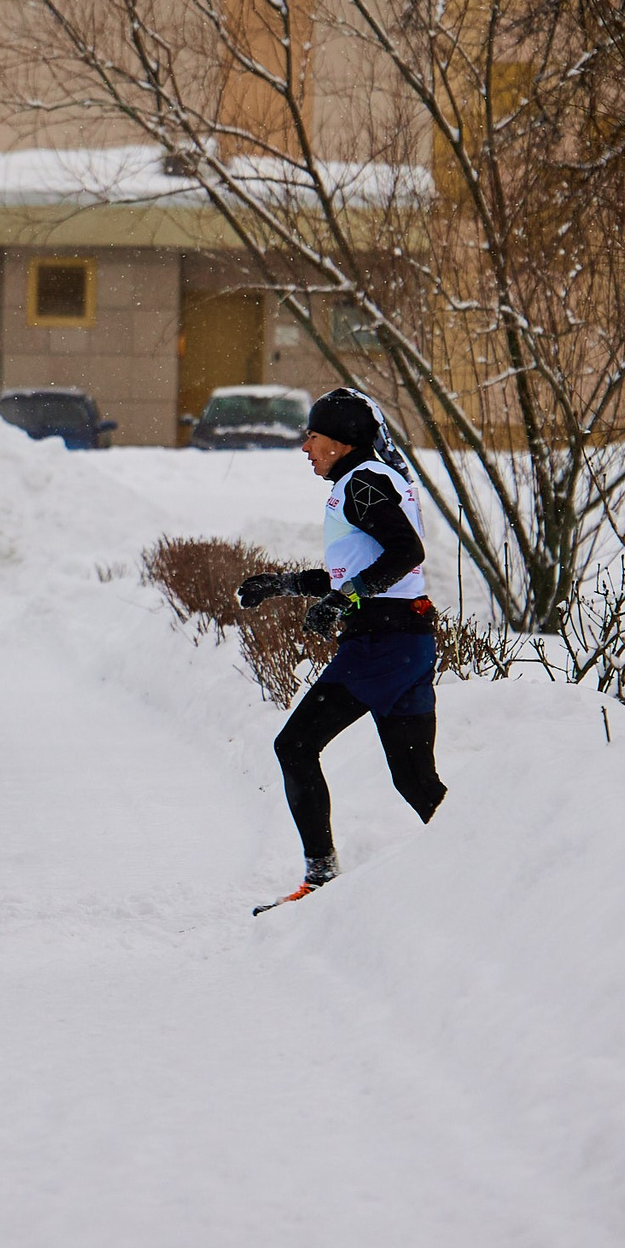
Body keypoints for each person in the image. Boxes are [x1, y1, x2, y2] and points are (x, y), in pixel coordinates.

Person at [237, 387, 448, 911]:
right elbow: (355, 569)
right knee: (417, 782)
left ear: (340, 440)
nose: (305, 448)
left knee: (295, 746)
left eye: (311, 437)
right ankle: (489, 861)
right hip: (406, 642)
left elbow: (405, 552)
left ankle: (321, 878)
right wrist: (281, 585)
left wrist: (344, 601)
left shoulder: (363, 483)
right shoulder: (368, 481)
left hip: (381, 644)